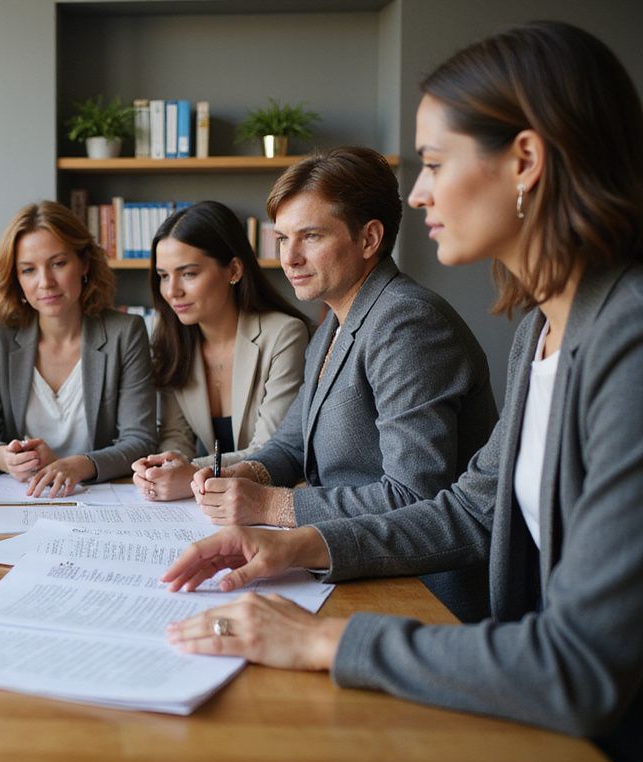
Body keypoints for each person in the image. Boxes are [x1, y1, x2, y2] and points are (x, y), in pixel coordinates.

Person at [162, 22, 643, 762]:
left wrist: (325, 637)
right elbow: (472, 508)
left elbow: (580, 666)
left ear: (524, 160)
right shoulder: (539, 330)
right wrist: (298, 543)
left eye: (434, 162)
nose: (418, 192)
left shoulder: (628, 337)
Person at [186, 146, 498, 622]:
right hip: (347, 566)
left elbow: (413, 496)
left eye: (309, 236)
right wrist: (245, 475)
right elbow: (291, 443)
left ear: (369, 238)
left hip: (422, 589)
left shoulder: (407, 323)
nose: (288, 257)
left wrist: (271, 503)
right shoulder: (333, 319)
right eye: (282, 238)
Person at [0, 200, 156, 497]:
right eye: (28, 270)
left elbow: (140, 439)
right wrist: (5, 458)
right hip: (23, 497)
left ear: (84, 264)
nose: (45, 283)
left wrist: (78, 465)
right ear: (16, 278)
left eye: (58, 263)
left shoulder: (125, 333)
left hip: (100, 498)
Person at [130, 201, 310, 501]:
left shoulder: (284, 335)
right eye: (163, 275)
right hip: (213, 500)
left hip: (270, 496)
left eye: (188, 273)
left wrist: (190, 471)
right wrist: (161, 466)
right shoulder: (170, 340)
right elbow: (177, 435)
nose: (172, 290)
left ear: (234, 270)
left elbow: (271, 449)